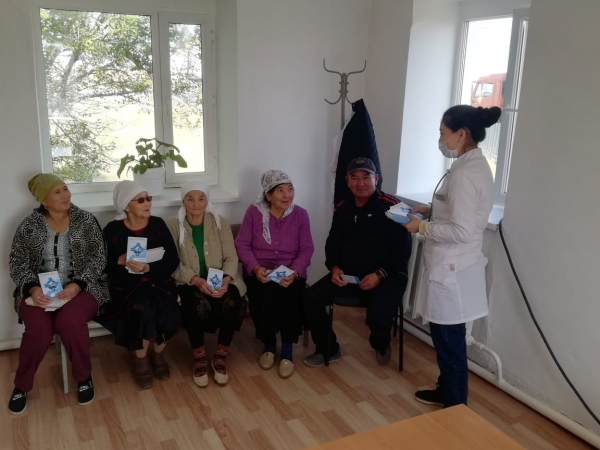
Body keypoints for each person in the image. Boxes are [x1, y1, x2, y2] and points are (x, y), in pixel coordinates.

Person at [404, 105, 500, 408]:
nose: (440, 139)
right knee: (446, 339)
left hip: (452, 269)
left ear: (461, 134)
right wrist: (431, 211)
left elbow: (462, 230)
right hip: (455, 266)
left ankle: (456, 408)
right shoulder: (470, 166)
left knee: (449, 343)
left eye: (442, 133)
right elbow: (461, 212)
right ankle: (446, 391)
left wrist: (422, 226)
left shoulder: (465, 175)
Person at [8, 174, 108, 414]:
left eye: (65, 189)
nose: (65, 195)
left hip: (83, 288)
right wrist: (32, 288)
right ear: (44, 200)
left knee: (70, 322)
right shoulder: (28, 226)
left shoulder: (85, 220)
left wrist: (78, 284)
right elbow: (17, 261)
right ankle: (21, 385)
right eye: (57, 192)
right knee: (39, 330)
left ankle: (84, 377)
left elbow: (99, 256)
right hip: (39, 291)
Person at [303, 157, 412, 368]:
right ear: (347, 181)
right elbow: (332, 244)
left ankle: (380, 344)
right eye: (354, 178)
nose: (360, 183)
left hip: (387, 276)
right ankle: (329, 348)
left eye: (366, 177)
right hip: (350, 274)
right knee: (310, 298)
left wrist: (379, 275)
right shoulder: (343, 207)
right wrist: (334, 267)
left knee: (378, 316)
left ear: (376, 179)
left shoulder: (394, 207)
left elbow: (402, 251)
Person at [98, 180, 180, 389]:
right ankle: (141, 359)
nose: (148, 203)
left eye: (148, 198)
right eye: (141, 200)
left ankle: (158, 354)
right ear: (126, 206)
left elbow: (173, 259)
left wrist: (149, 268)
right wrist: (119, 260)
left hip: (158, 282)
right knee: (141, 309)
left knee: (166, 306)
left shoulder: (158, 225)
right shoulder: (113, 230)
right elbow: (100, 264)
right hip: (127, 287)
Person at [166, 181, 246, 387]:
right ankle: (200, 357)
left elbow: (231, 256)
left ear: (207, 200)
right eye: (190, 199)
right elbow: (172, 262)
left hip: (221, 278)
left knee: (233, 301)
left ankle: (220, 355)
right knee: (192, 306)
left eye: (201, 198)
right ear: (183, 201)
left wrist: (227, 279)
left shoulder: (219, 222)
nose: (196, 204)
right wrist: (195, 279)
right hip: (190, 280)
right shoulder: (173, 225)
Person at [235, 170, 314, 378]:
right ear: (268, 195)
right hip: (261, 270)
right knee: (263, 296)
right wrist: (255, 268)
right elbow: (242, 244)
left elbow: (306, 249)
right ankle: (269, 345)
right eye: (280, 190)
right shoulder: (254, 212)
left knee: (291, 296)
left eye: (290, 189)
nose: (287, 195)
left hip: (291, 271)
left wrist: (295, 272)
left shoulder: (301, 215)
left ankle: (287, 349)